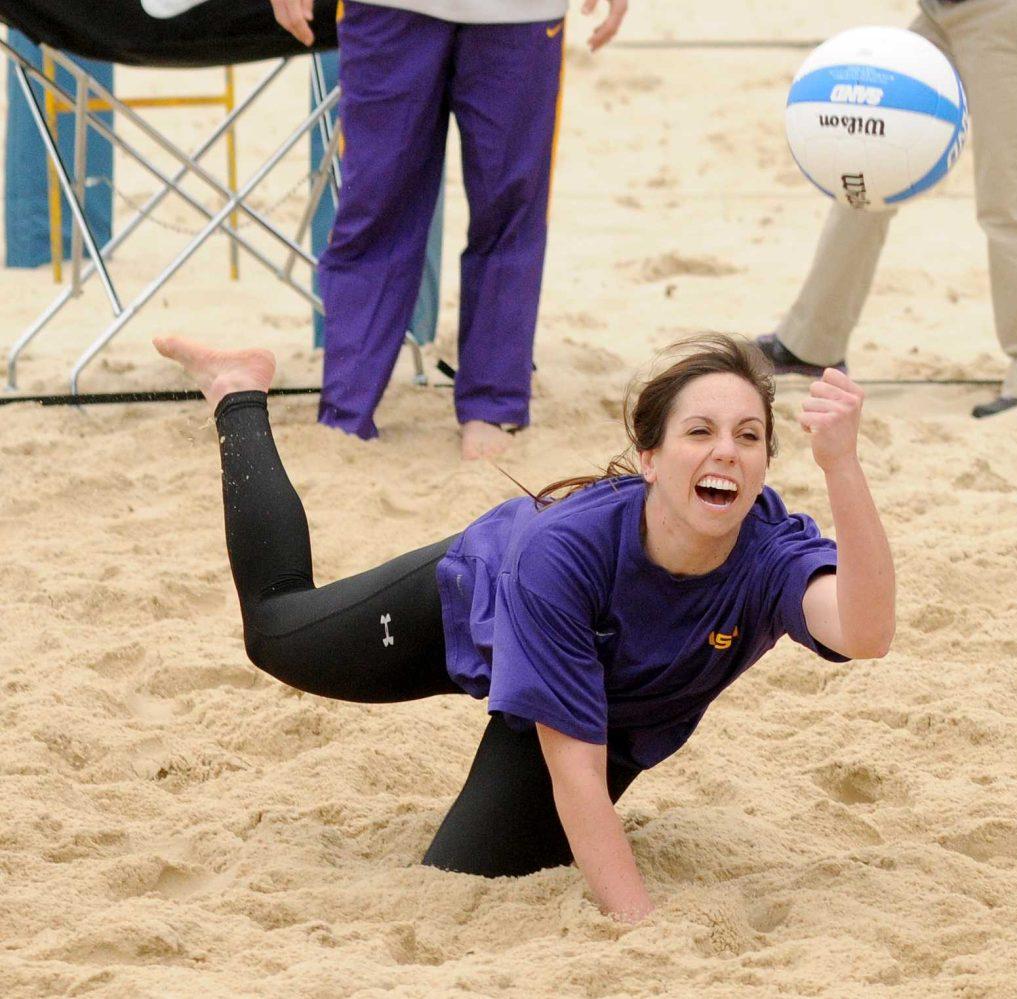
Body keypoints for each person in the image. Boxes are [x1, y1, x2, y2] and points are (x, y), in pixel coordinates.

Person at [152, 331, 895, 922]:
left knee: (461, 875)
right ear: (650, 456)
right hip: (467, 605)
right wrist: (641, 928)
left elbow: (865, 631)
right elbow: (575, 771)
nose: (726, 450)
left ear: (765, 461)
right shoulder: (563, 551)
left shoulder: (769, 550)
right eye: (699, 430)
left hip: (603, 712)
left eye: (749, 435)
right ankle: (238, 390)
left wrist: (842, 467)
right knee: (276, 631)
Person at [267, 0, 629, 458]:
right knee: (375, 203)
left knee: (510, 207)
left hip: (522, 13)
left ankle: (492, 402)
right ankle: (348, 404)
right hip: (387, 8)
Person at [758, 0, 1017, 419]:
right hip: (940, 13)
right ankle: (812, 342)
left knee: (1012, 196)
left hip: (1010, 14)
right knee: (864, 170)